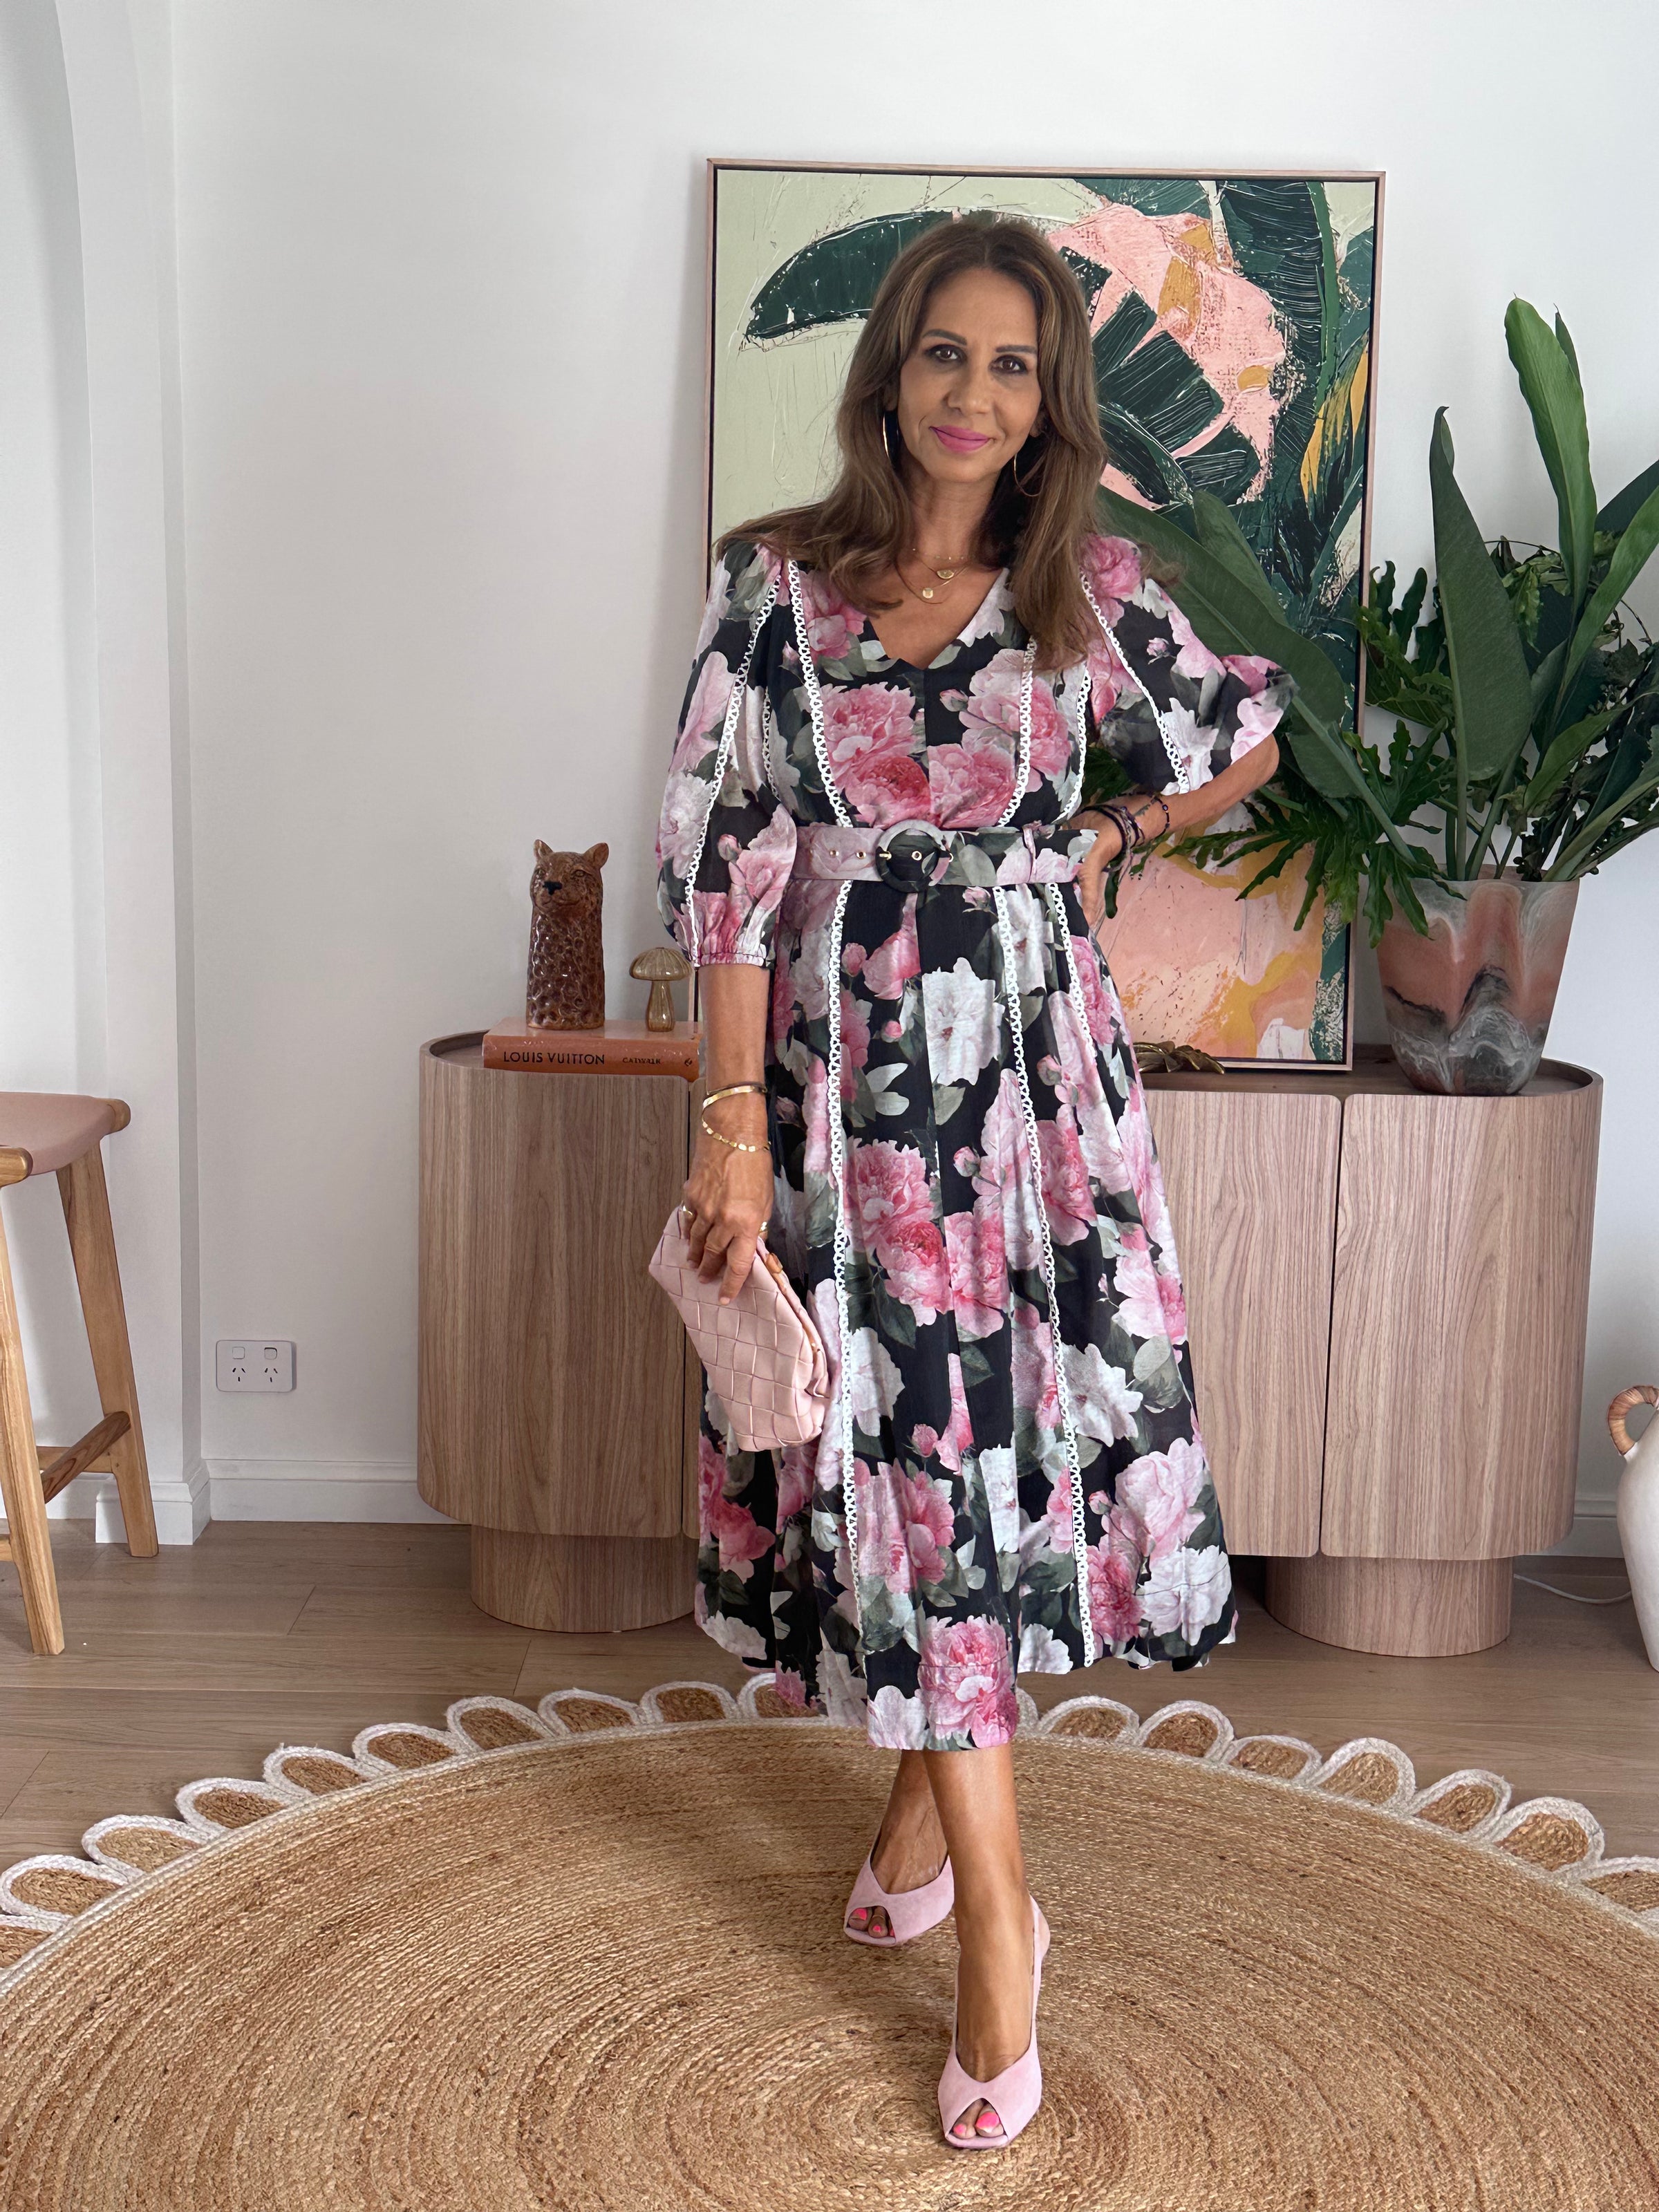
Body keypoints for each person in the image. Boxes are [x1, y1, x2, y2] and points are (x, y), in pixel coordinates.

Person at [655, 214, 1287, 2150]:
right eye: (946, 351)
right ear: (891, 368)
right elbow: (728, 865)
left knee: (974, 1475)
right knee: (912, 1461)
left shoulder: (1088, 592)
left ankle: (980, 1898)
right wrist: (730, 1121)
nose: (974, 393)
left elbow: (1246, 737)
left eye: (1015, 364)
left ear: (1049, 401)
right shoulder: (775, 584)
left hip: (1036, 1092)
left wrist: (1107, 828)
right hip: (842, 1093)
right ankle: (965, 1875)